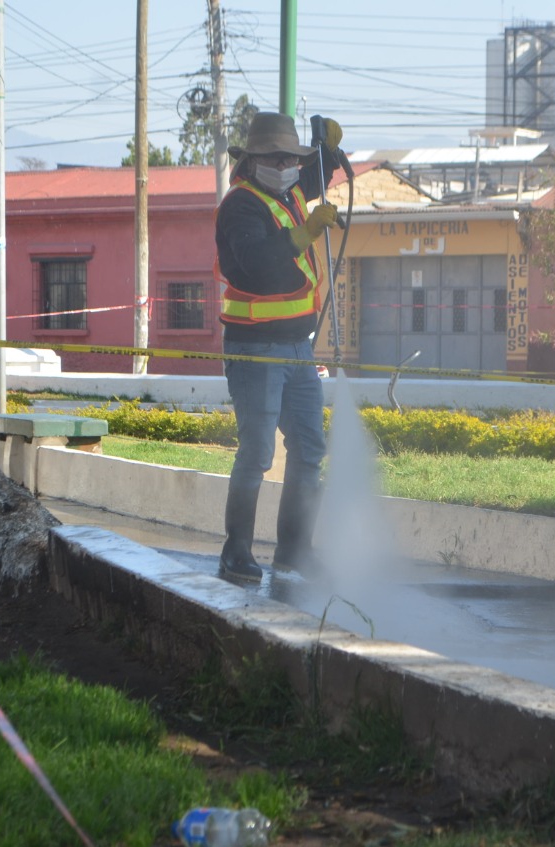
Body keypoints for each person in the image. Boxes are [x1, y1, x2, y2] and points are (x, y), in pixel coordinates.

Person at [213, 111, 343, 581]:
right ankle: (236, 551)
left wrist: (325, 150)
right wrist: (306, 233)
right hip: (255, 349)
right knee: (257, 453)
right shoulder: (241, 206)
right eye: (280, 157)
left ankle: (294, 550)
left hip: (297, 348)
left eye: (294, 157)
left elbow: (312, 176)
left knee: (309, 448)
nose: (290, 164)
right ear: (255, 161)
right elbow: (254, 265)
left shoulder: (285, 194)